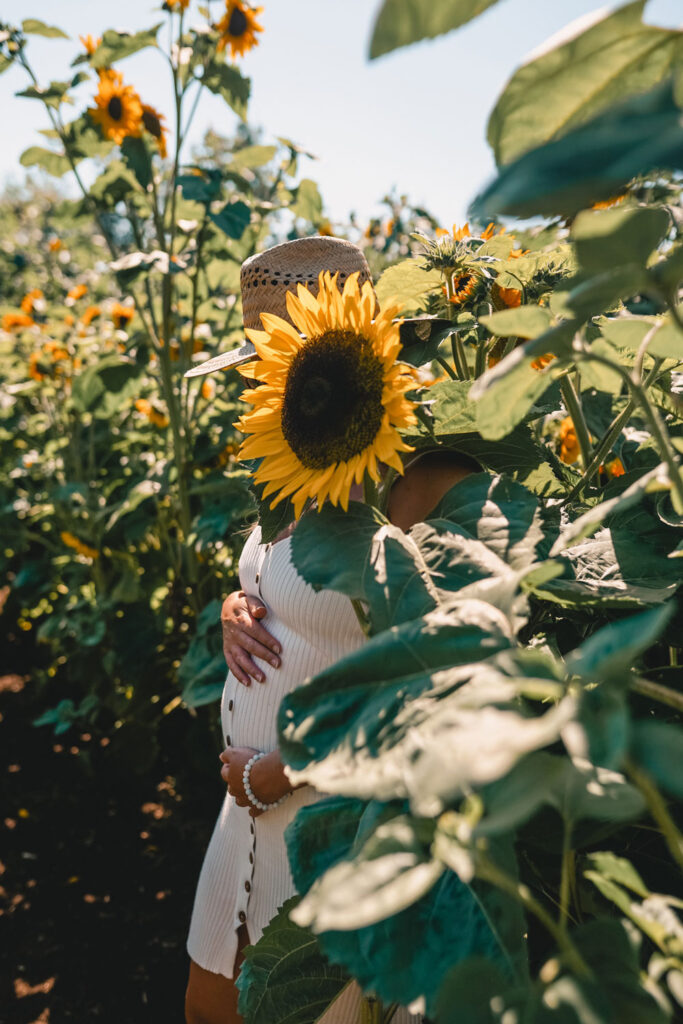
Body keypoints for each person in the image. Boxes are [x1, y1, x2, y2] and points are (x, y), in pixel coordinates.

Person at [183, 237, 476, 1024]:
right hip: (241, 822)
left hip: (327, 824)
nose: (271, 376)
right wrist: (233, 608)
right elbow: (277, 581)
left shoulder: (412, 477)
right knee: (205, 1009)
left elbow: (441, 671)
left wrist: (283, 769)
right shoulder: (298, 450)